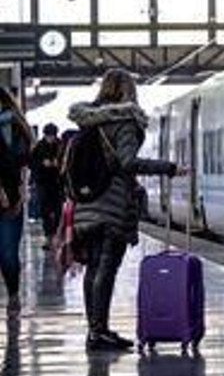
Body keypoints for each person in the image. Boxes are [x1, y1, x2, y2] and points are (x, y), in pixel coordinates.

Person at [68, 68, 184, 351]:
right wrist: (168, 168)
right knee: (106, 267)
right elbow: (127, 163)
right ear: (129, 91)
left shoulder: (89, 121)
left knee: (94, 267)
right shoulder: (125, 122)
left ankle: (96, 330)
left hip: (86, 204)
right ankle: (99, 332)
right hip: (112, 203)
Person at [0, 89, 33, 318]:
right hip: (9, 196)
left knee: (8, 254)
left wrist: (20, 192)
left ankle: (13, 295)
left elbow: (23, 163)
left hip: (10, 201)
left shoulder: (16, 127)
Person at [29, 124, 64, 245]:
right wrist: (42, 163)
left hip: (57, 182)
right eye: (49, 136)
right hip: (43, 182)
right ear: (44, 135)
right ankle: (48, 235)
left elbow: (66, 160)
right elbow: (31, 163)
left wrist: (58, 163)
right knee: (45, 210)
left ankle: (57, 234)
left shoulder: (60, 145)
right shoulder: (39, 146)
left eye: (53, 136)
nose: (51, 138)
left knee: (58, 209)